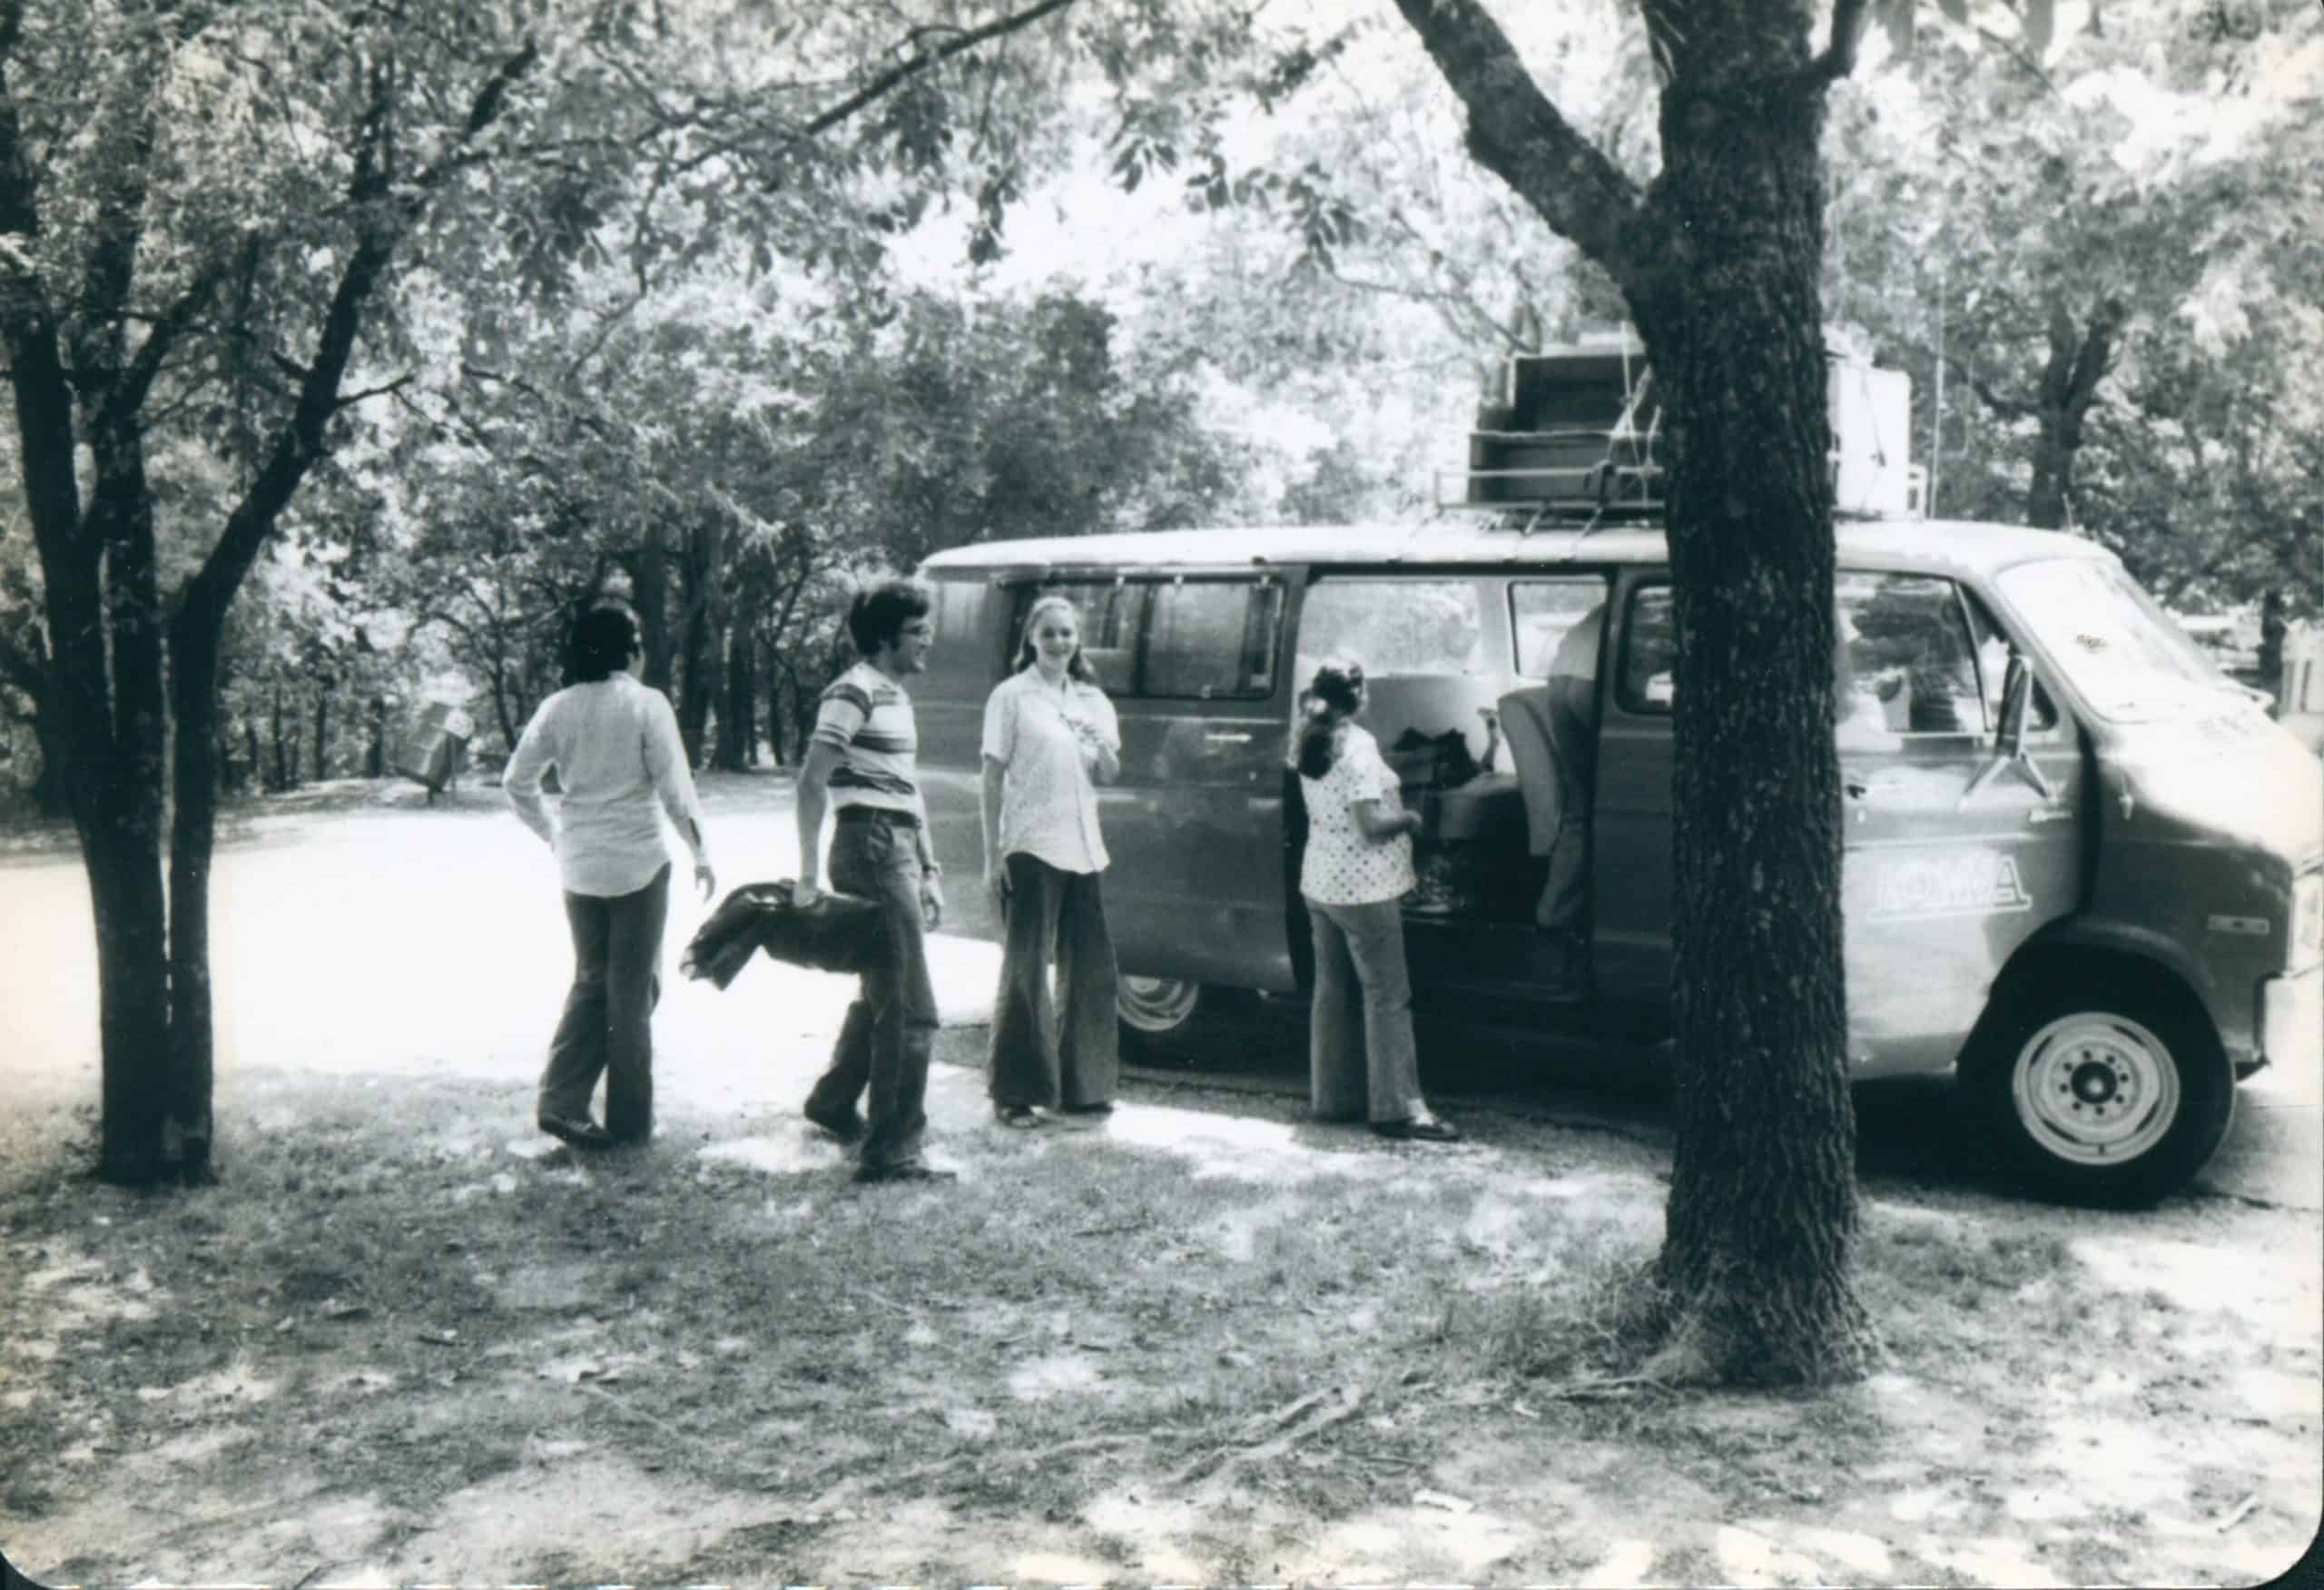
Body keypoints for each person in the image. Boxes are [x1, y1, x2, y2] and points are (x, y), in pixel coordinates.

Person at [504, 605, 715, 1150]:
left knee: (594, 983)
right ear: (632, 648)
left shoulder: (558, 707)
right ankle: (628, 1124)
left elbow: (516, 781)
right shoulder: (646, 704)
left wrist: (552, 833)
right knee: (633, 992)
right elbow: (674, 787)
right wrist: (700, 850)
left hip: (579, 865)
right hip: (639, 864)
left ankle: (562, 1102)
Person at [793, 579, 952, 1184]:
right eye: (917, 630)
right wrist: (807, 874)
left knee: (883, 991)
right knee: (914, 1007)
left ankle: (834, 1101)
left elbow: (907, 788)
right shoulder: (852, 690)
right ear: (886, 636)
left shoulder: (895, 695)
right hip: (870, 846)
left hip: (898, 845)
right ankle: (893, 1150)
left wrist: (931, 868)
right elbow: (811, 782)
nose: (928, 639)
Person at [1294, 657, 1460, 1143]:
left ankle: (1332, 1100)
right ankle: (1397, 1110)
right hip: (1364, 889)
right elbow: (1369, 826)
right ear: (1361, 696)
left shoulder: (1309, 738)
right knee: (1387, 995)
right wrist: (1408, 819)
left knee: (1331, 993)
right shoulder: (1360, 747)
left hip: (1320, 882)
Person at [980, 595, 1123, 1129]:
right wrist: (993, 855)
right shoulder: (1011, 697)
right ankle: (1015, 1094)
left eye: (1067, 633)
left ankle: (1084, 1088)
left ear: (1078, 639)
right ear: (1031, 640)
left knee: (1089, 969)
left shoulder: (1092, 700)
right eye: (1049, 635)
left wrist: (1100, 747)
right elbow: (992, 776)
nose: (1060, 642)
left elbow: (1108, 774)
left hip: (1084, 847)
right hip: (1032, 845)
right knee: (1026, 967)